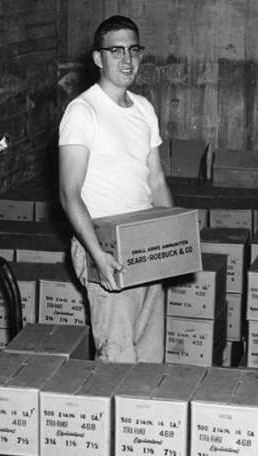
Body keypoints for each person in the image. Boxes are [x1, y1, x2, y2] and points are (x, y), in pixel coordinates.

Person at [58, 15, 172, 363]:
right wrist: (96, 255)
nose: (127, 60)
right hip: (105, 246)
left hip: (144, 242)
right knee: (118, 358)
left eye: (134, 50)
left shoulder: (143, 109)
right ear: (98, 58)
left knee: (150, 356)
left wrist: (171, 238)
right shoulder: (82, 111)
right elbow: (69, 193)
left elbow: (156, 180)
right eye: (116, 50)